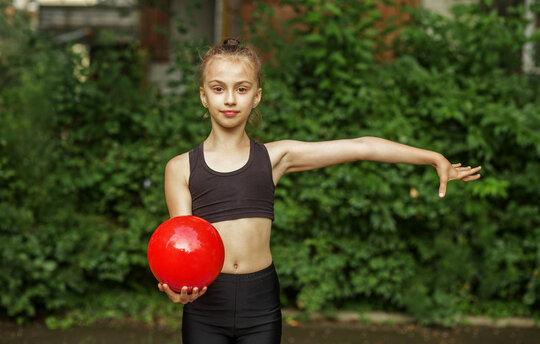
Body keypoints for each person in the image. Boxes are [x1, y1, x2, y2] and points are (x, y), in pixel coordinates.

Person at [157, 38, 482, 344]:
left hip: (260, 305)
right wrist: (178, 288)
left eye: (241, 89)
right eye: (218, 89)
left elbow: (361, 146)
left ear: (256, 96)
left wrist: (432, 158)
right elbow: (182, 249)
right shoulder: (181, 168)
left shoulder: (274, 158)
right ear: (203, 95)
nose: (230, 99)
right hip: (206, 309)